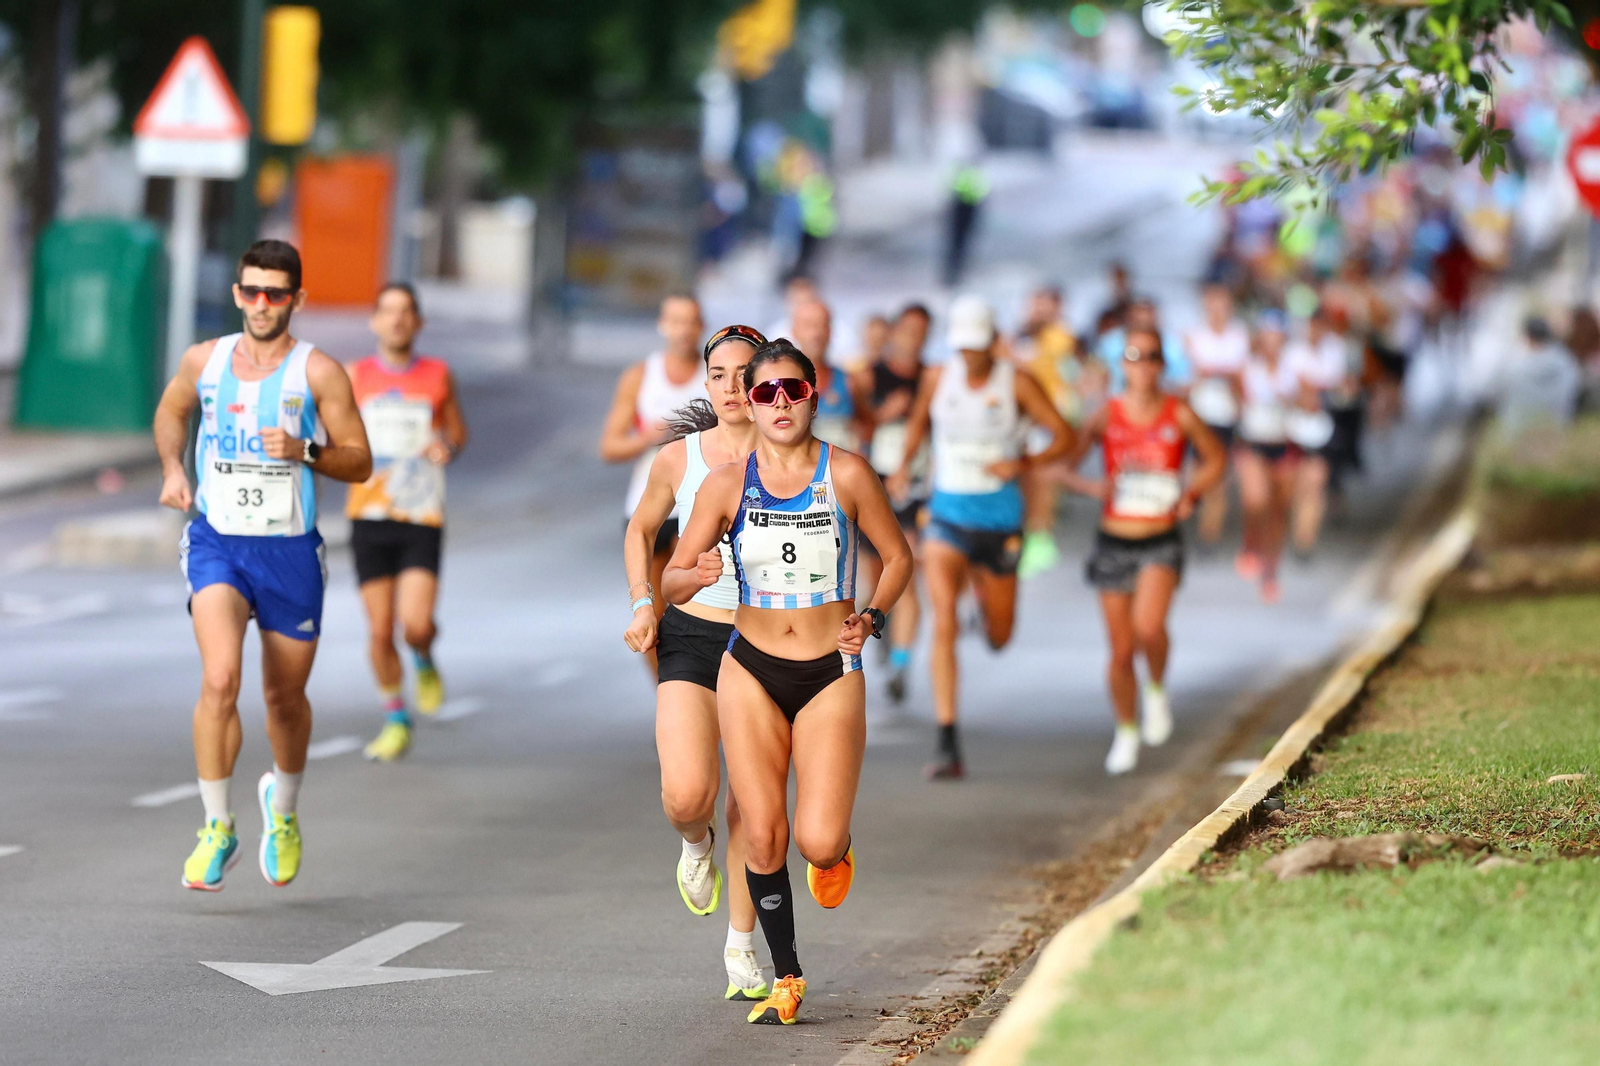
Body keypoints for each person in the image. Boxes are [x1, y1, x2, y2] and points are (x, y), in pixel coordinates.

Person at [664, 340, 912, 1025]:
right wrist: (695, 575)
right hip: (750, 668)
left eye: (792, 390)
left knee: (818, 842)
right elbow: (672, 577)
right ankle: (787, 976)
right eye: (765, 391)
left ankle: (835, 852)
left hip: (830, 672)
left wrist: (872, 617)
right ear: (751, 401)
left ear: (813, 396)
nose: (779, 403)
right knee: (762, 833)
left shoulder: (849, 473)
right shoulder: (725, 485)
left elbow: (898, 557)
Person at [153, 239, 373, 890]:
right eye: (251, 291)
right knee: (220, 679)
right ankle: (216, 826)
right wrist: (173, 470)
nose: (261, 303)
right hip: (219, 540)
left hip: (289, 550)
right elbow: (171, 410)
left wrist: (306, 450)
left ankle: (283, 808)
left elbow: (360, 460)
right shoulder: (206, 360)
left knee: (284, 698)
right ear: (236, 294)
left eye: (274, 294)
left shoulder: (319, 372)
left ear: (296, 299)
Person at [622, 324, 769, 1003]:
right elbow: (640, 529)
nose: (732, 387)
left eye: (745, 374)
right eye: (719, 375)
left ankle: (742, 945)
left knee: (753, 804)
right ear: (705, 383)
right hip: (693, 635)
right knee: (687, 795)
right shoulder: (679, 459)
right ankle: (695, 842)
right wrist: (642, 603)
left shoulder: (793, 457)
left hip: (768, 644)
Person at [891, 295, 1075, 779]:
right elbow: (917, 426)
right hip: (946, 517)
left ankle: (984, 597)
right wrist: (902, 469)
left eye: (977, 346)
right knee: (944, 622)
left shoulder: (1018, 382)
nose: (969, 355)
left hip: (999, 522)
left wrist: (1024, 462)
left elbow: (1065, 436)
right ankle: (947, 739)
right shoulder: (938, 377)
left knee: (999, 635)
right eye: (963, 347)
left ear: (994, 341)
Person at [1066, 326, 1225, 774]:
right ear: (1123, 364)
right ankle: (1125, 730)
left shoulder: (1179, 413)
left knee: (1149, 629)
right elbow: (1064, 465)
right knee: (1120, 651)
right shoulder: (1105, 414)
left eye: (1152, 356)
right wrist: (1093, 487)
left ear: (1162, 364)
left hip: (1159, 538)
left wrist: (1192, 493)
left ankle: (1155, 689)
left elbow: (1216, 458)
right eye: (1135, 356)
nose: (1143, 366)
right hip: (1113, 540)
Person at [347, 284, 469, 762]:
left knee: (415, 625)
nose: (397, 320)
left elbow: (457, 432)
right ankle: (396, 718)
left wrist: (447, 447)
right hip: (369, 514)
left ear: (418, 322)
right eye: (388, 311)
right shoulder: (354, 376)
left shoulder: (437, 374)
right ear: (374, 321)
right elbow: (334, 433)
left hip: (421, 513)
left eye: (406, 312)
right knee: (380, 632)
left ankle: (423, 655)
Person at [599, 295, 710, 669]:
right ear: (662, 325)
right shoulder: (641, 376)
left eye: (691, 321)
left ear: (701, 326)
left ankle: (698, 686)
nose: (684, 330)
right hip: (647, 505)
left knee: (695, 612)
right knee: (652, 619)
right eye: (676, 321)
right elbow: (609, 446)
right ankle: (667, 690)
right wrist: (650, 437)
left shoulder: (714, 377)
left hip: (697, 505)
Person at [861, 304, 932, 703]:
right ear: (895, 332)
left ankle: (902, 664)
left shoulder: (933, 378)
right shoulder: (870, 375)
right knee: (877, 579)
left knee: (908, 574)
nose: (914, 338)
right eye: (908, 330)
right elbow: (854, 424)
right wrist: (884, 414)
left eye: (922, 331)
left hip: (917, 490)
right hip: (876, 487)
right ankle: (880, 619)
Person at [1011, 283, 1104, 579]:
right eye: (1036, 304)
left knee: (1045, 476)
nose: (1039, 310)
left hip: (1053, 418)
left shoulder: (1064, 337)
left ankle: (1040, 539)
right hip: (1027, 418)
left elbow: (1091, 369)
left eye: (1045, 305)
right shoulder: (1021, 336)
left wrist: (1082, 393)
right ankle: (1033, 535)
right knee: (1029, 477)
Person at [1234, 310, 1305, 603]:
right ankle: (1251, 541)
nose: (1272, 344)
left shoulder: (1295, 370)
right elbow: (1237, 404)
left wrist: (1296, 399)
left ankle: (1270, 570)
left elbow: (1310, 403)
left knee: (1279, 511)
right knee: (1256, 500)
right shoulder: (1247, 369)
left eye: (1277, 338)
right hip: (1254, 443)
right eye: (1267, 337)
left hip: (1285, 444)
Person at [1182, 283, 1250, 547]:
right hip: (1198, 416)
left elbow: (1242, 376)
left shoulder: (1240, 336)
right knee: (1194, 473)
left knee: (1218, 478)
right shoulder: (1193, 335)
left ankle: (1208, 536)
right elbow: (1187, 377)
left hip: (1225, 416)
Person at [790, 298, 870, 453]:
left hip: (840, 466)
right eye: (809, 325)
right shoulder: (780, 387)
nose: (816, 333)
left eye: (822, 325)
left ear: (831, 331)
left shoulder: (849, 382)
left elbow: (867, 425)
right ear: (794, 330)